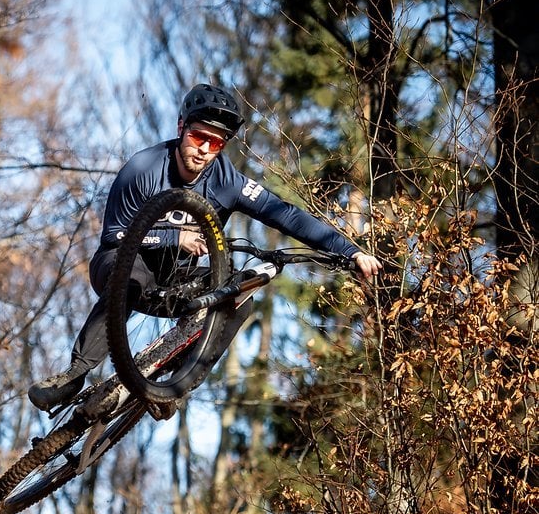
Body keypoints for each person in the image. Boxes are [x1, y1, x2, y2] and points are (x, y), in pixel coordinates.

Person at [29, 83, 383, 411]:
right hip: (120, 263)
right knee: (132, 278)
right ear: (182, 126)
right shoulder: (143, 168)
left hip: (175, 280)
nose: (203, 150)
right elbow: (115, 236)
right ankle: (73, 376)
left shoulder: (227, 181)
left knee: (240, 292)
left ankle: (172, 383)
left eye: (215, 144)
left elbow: (285, 215)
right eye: (199, 137)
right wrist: (174, 237)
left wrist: (350, 251)